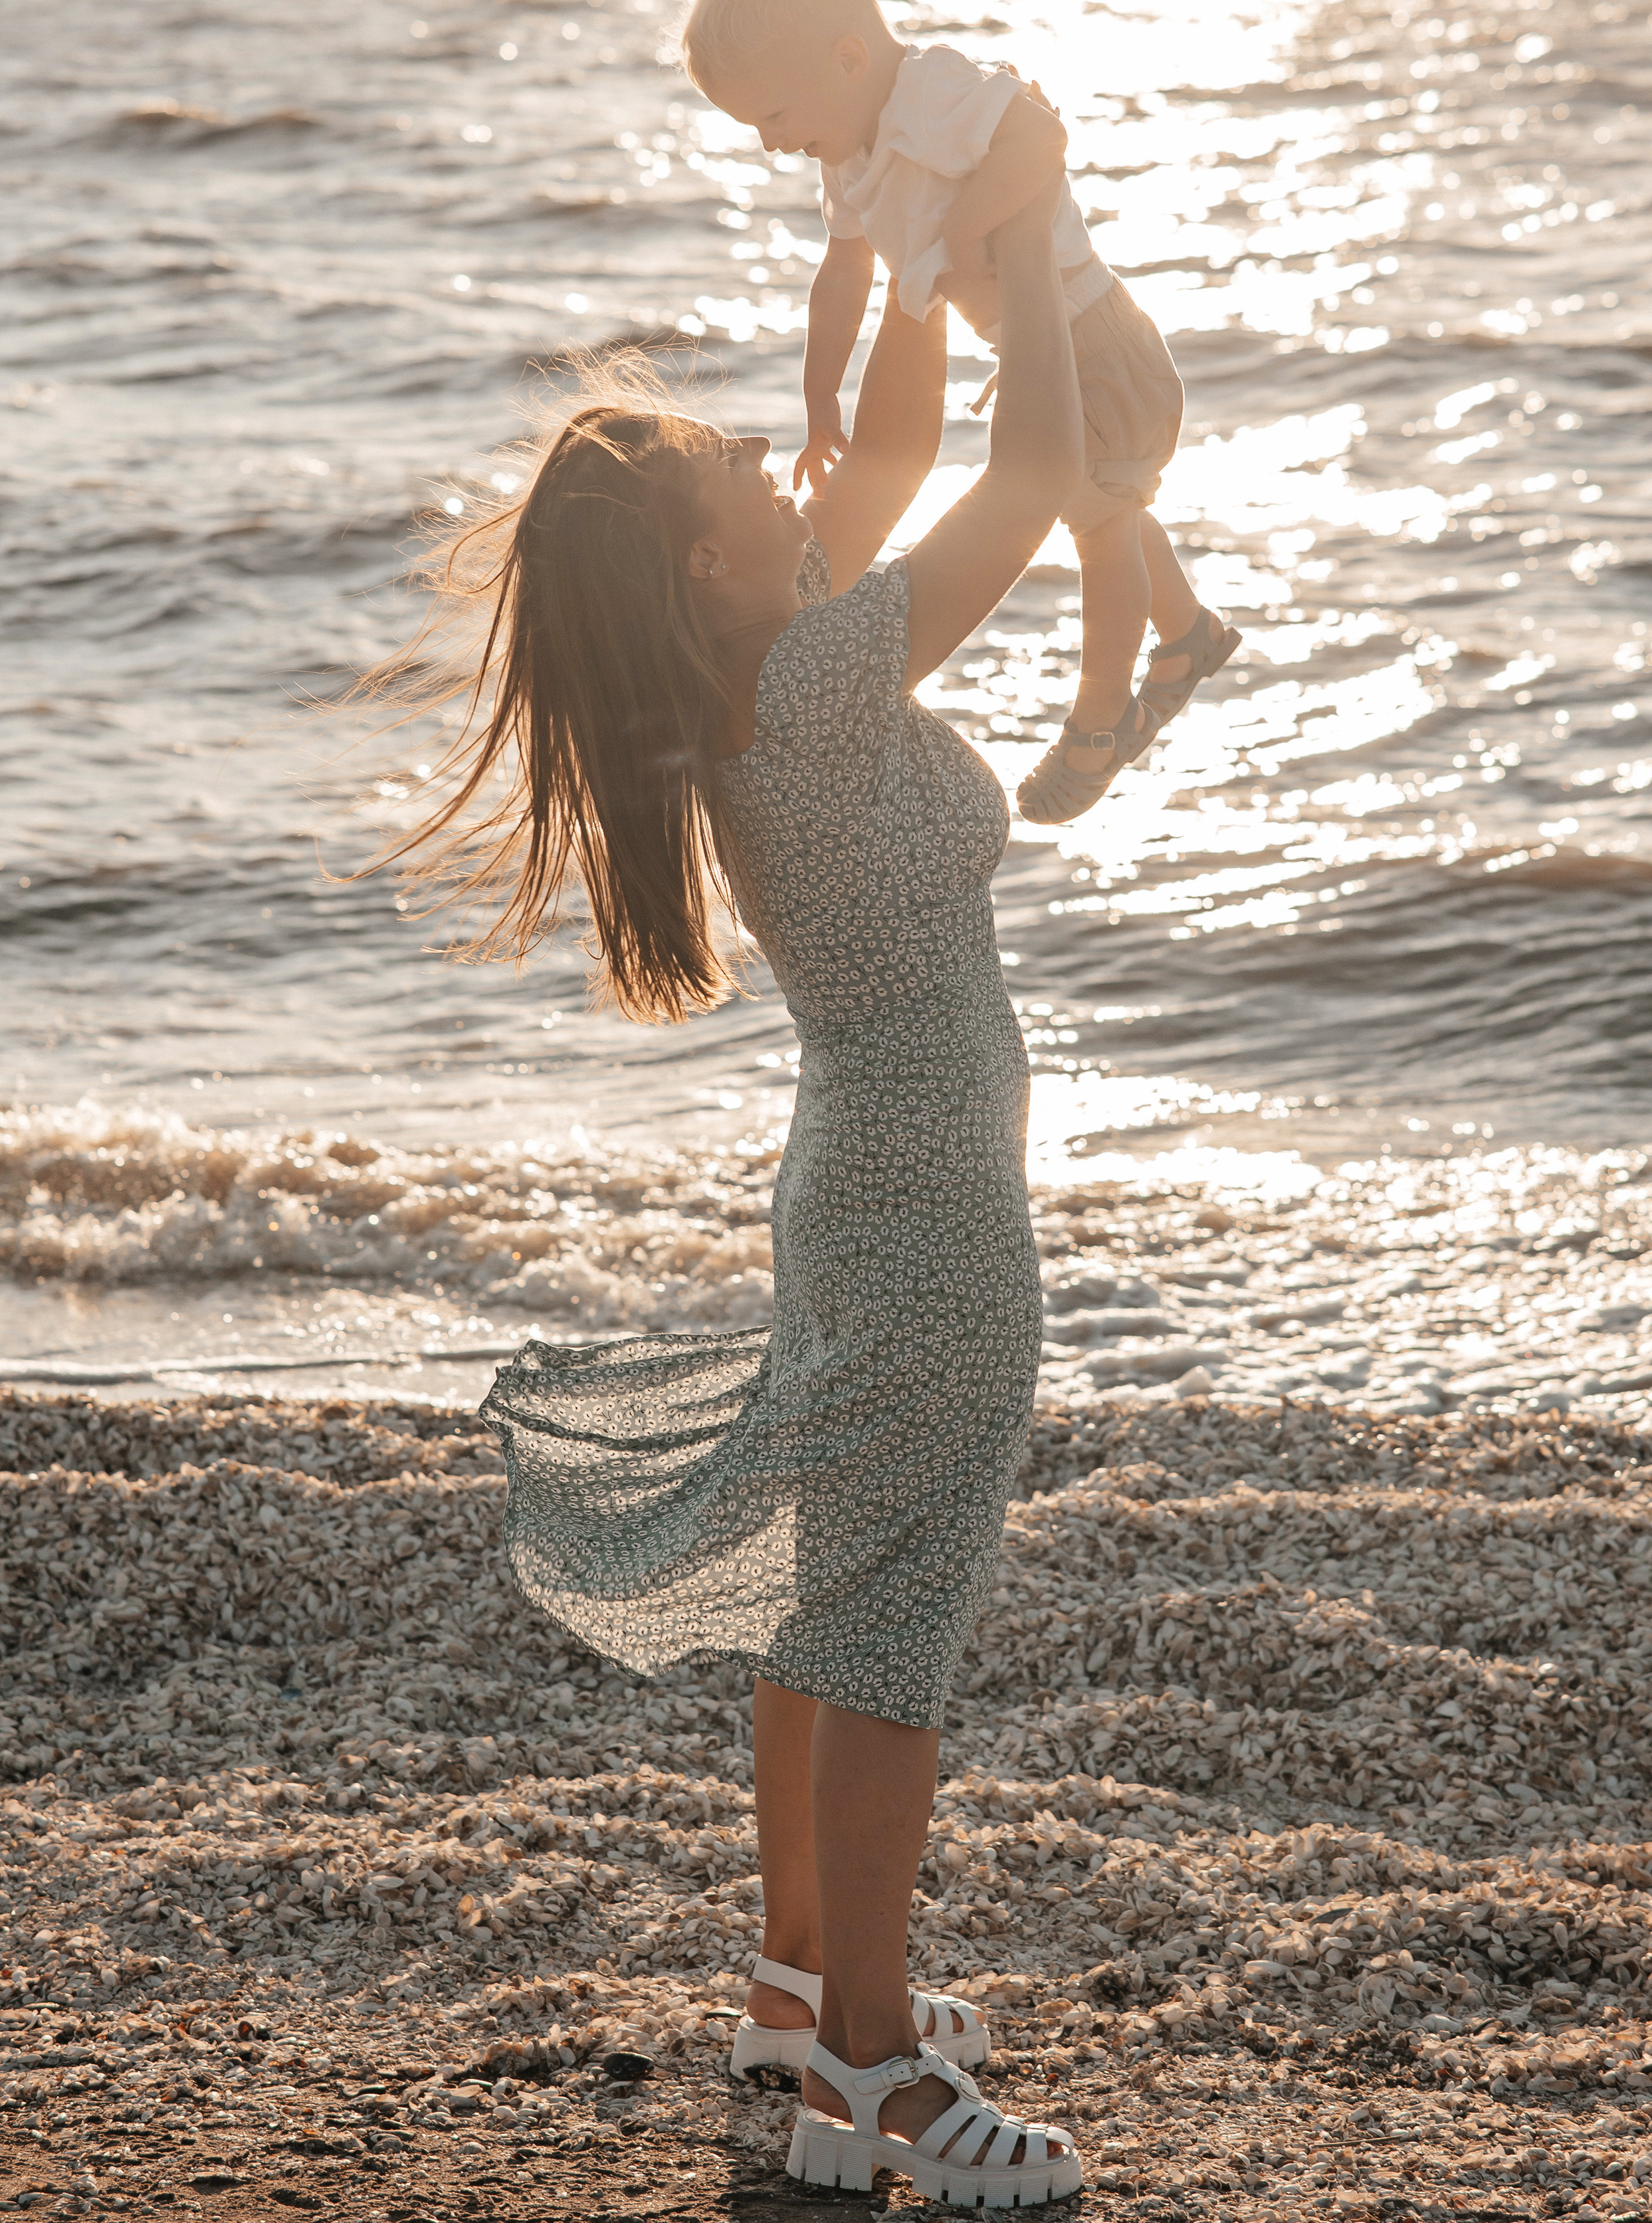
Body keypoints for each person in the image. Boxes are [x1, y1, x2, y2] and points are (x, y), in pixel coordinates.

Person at [369, 187, 1087, 2204]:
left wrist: (882, 282)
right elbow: (1030, 466)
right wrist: (1031, 247)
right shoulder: (818, 677)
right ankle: (870, 2076)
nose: (791, 474)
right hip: (928, 1193)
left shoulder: (764, 666)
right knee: (893, 1630)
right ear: (715, 560)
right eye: (746, 477)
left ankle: (798, 1986)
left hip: (860, 1164)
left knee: (832, 1588)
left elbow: (884, 452)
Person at [681, 0, 1241, 826]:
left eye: (775, 116)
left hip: (1096, 343)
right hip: (1039, 356)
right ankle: (1186, 634)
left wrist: (963, 236)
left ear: (849, 58)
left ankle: (1105, 717)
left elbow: (1041, 137)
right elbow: (843, 275)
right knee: (1110, 509)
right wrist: (822, 394)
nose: (770, 142)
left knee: (1101, 527)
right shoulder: (851, 157)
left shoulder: (930, 93)